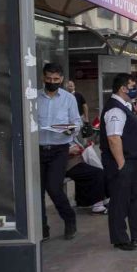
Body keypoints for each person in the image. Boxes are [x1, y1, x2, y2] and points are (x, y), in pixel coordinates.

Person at [100, 73, 137, 251]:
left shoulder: (125, 106)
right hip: (122, 161)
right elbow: (113, 139)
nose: (135, 90)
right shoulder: (115, 109)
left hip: (133, 161)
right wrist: (121, 164)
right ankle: (120, 238)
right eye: (133, 86)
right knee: (120, 200)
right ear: (122, 88)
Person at [38, 63, 82, 240]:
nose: (52, 82)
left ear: (62, 79)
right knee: (36, 191)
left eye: (56, 79)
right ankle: (42, 227)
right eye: (49, 79)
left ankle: (69, 219)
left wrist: (70, 129)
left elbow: (76, 123)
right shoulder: (33, 96)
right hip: (36, 149)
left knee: (54, 188)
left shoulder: (68, 99)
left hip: (59, 149)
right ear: (43, 78)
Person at [66, 143, 108, 214]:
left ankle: (91, 201)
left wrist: (84, 146)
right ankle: (97, 205)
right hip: (68, 165)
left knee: (99, 170)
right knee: (97, 173)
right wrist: (69, 150)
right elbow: (56, 152)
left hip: (78, 161)